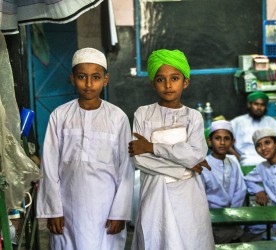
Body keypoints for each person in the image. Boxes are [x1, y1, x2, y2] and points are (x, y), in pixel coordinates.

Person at [36, 48, 134, 250]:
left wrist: (120, 213)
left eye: (96, 77)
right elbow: (50, 165)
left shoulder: (117, 117)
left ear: (105, 80)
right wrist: (53, 210)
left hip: (106, 207)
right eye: (82, 77)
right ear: (72, 78)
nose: (89, 84)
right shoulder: (59, 116)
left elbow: (126, 168)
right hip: (68, 206)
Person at [128, 49, 214, 250]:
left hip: (188, 197)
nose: (168, 85)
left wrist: (151, 146)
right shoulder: (143, 114)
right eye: (160, 79)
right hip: (155, 194)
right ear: (152, 83)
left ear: (185, 82)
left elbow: (195, 154)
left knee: (190, 240)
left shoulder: (193, 117)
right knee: (157, 240)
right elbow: (139, 160)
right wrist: (183, 168)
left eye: (174, 78)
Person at [201, 120, 247, 243]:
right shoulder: (203, 164)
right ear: (210, 141)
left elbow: (241, 190)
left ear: (232, 142)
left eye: (226, 138)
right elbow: (201, 196)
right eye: (217, 138)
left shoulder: (233, 161)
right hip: (211, 219)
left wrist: (232, 213)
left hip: (234, 216)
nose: (222, 142)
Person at [231, 91, 276, 166]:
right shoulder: (237, 122)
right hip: (248, 161)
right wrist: (238, 158)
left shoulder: (273, 123)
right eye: (256, 104)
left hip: (271, 159)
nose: (259, 108)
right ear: (249, 105)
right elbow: (227, 143)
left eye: (262, 105)